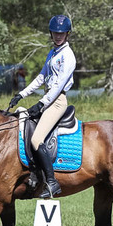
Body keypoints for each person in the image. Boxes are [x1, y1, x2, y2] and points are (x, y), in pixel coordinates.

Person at [9, 14, 76, 198]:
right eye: (55, 33)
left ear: (67, 34)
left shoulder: (68, 56)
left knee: (36, 139)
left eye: (61, 33)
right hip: (48, 99)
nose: (58, 36)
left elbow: (58, 86)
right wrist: (21, 94)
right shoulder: (53, 53)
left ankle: (52, 182)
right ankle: (33, 172)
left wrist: (41, 103)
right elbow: (41, 78)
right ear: (51, 33)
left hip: (57, 102)